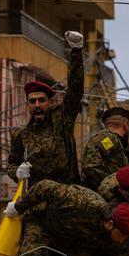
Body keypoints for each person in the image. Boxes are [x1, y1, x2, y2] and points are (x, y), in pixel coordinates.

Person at [9, 31, 86, 186]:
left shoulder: (62, 119)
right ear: (28, 104)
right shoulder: (21, 134)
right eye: (33, 101)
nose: (37, 105)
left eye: (41, 100)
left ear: (50, 102)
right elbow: (11, 164)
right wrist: (16, 172)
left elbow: (75, 90)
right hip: (37, 201)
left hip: (67, 198)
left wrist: (76, 53)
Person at [82, 106, 129, 190]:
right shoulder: (109, 138)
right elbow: (90, 166)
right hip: (100, 196)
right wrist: (111, 187)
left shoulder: (111, 139)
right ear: (125, 123)